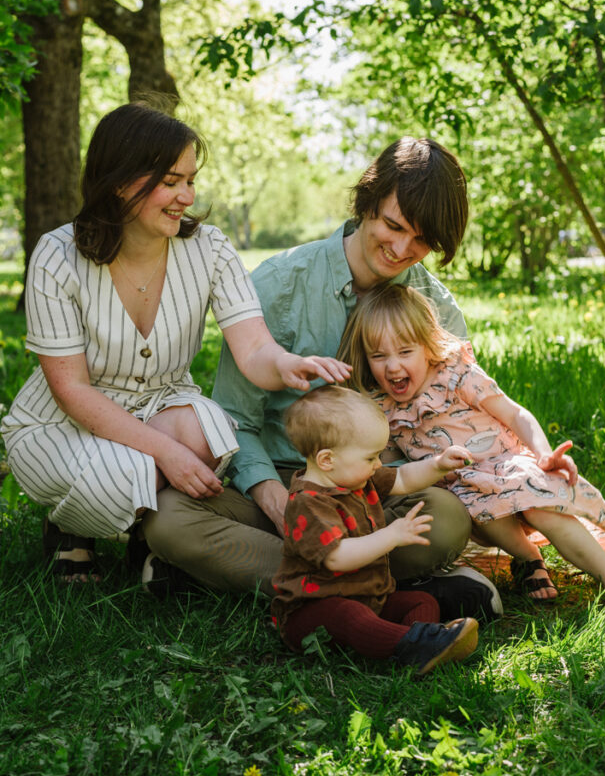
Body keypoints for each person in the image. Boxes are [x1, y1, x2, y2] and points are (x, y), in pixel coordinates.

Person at [143, 137, 502, 621]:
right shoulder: (279, 284)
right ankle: (389, 590)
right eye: (393, 226)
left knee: (446, 521)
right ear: (366, 204)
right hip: (284, 482)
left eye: (420, 241)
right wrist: (275, 501)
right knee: (168, 520)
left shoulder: (433, 307)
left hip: (376, 492)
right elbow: (235, 421)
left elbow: (455, 415)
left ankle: (269, 578)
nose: (401, 249)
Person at [1, 103, 349, 581]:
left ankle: (150, 538)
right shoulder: (56, 255)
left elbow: (253, 349)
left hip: (161, 405)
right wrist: (165, 454)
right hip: (65, 420)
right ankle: (69, 525)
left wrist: (287, 364)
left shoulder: (209, 247)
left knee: (207, 436)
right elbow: (72, 390)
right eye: (170, 181)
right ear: (120, 180)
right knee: (128, 472)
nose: (186, 196)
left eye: (190, 180)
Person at [338, 283, 605, 604]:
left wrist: (543, 454)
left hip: (507, 466)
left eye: (405, 352)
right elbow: (392, 466)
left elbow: (515, 415)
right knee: (476, 504)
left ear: (427, 345)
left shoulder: (456, 375)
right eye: (378, 356)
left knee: (540, 508)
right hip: (462, 492)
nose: (392, 366)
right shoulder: (383, 408)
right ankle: (528, 557)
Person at [272, 385, 479, 675]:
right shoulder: (309, 504)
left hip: (369, 596)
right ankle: (411, 644)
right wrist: (391, 535)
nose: (378, 464)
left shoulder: (356, 477)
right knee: (348, 614)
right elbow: (337, 557)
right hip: (312, 611)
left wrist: (437, 465)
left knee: (421, 600)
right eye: (371, 458)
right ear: (327, 460)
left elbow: (404, 480)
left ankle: (422, 646)